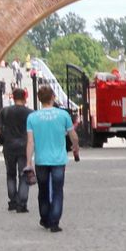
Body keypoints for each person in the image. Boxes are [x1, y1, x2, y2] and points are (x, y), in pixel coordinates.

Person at [25, 85, 80, 233]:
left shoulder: (32, 117)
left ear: (39, 99)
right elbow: (73, 135)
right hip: (58, 159)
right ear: (53, 97)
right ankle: (54, 221)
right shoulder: (63, 115)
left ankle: (45, 218)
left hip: (41, 159)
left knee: (43, 190)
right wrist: (75, 147)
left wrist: (28, 161)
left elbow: (30, 142)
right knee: (57, 190)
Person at [0, 88, 33, 212]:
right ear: (25, 98)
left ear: (13, 97)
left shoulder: (5, 111)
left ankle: (12, 201)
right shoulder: (30, 113)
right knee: (23, 175)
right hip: (24, 146)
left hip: (9, 146)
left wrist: (3, 136)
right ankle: (22, 203)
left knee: (10, 175)